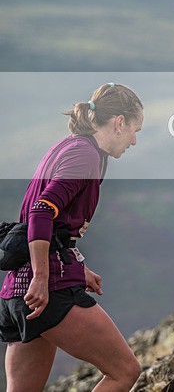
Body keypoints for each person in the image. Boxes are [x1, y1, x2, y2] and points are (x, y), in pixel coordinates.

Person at [0, 83, 144, 391]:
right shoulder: (84, 156)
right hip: (47, 290)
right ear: (119, 122)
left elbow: (56, 228)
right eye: (135, 129)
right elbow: (41, 213)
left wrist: (79, 266)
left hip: (15, 293)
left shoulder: (70, 146)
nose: (134, 140)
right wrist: (41, 277)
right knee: (125, 371)